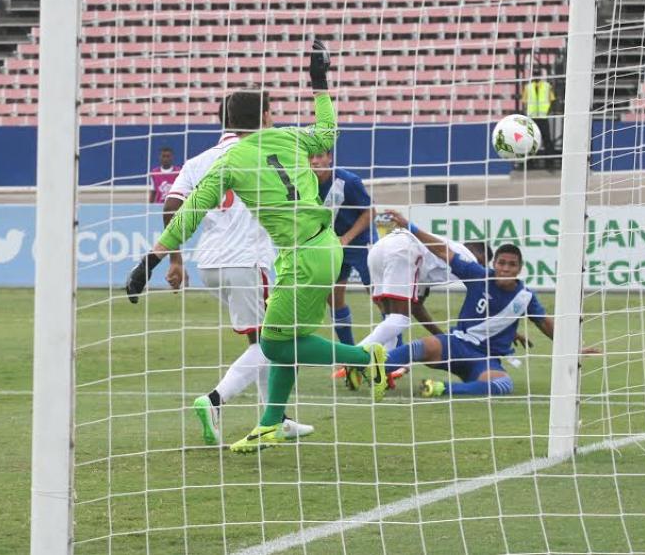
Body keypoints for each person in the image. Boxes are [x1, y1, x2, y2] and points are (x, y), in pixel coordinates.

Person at [125, 40, 388, 454]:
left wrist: (150, 261)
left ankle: (362, 356)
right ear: (265, 117)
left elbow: (189, 212)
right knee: (288, 337)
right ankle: (270, 423)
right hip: (320, 249)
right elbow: (328, 133)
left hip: (300, 256)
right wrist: (320, 85)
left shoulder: (225, 162)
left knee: (273, 343)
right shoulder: (290, 138)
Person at [161, 96, 313, 446]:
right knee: (277, 342)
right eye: (271, 112)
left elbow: (172, 206)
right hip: (247, 260)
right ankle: (215, 400)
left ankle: (274, 418)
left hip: (208, 263)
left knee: (260, 339)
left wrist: (175, 259)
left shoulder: (198, 160)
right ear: (260, 117)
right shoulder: (263, 153)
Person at [384, 234, 553, 398]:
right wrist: (410, 226)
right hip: (456, 345)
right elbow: (444, 251)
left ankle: (439, 388)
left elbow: (545, 323)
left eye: (512, 265)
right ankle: (368, 369)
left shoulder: (525, 297)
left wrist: (571, 349)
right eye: (502, 263)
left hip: (484, 360)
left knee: (503, 384)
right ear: (494, 264)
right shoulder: (479, 275)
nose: (506, 269)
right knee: (417, 347)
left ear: (520, 268)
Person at [353, 210, 478, 387]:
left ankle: (383, 371)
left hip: (380, 249)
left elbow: (416, 306)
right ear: (482, 257)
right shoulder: (470, 260)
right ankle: (352, 358)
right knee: (400, 319)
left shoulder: (434, 261)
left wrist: (441, 336)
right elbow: (479, 301)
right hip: (402, 249)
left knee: (391, 319)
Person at [309, 150, 376, 346]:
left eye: (320, 156)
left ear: (329, 158)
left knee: (379, 296)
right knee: (333, 297)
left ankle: (394, 351)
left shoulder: (348, 181)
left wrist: (347, 238)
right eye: (310, 157)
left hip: (361, 243)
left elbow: (370, 212)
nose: (315, 161)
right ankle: (349, 353)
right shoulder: (305, 184)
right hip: (331, 246)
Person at [522, 65, 556, 170]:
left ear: (540, 76)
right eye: (535, 75)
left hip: (543, 117)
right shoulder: (528, 87)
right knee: (531, 140)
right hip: (532, 118)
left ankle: (549, 163)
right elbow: (524, 102)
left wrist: (548, 111)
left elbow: (552, 99)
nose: (536, 77)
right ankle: (530, 163)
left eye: (537, 74)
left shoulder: (547, 86)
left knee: (547, 141)